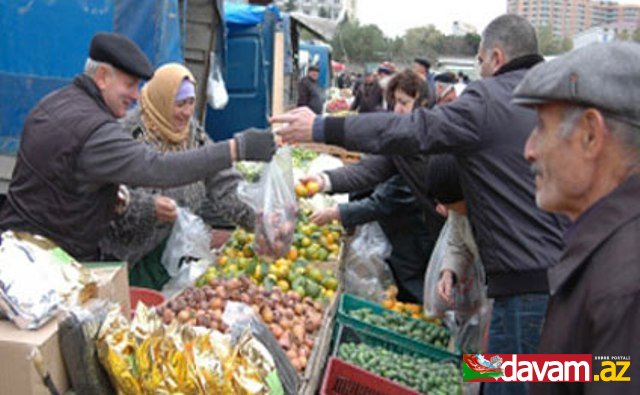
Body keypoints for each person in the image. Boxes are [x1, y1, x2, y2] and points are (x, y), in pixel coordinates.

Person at [272, 15, 568, 394]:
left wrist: (322, 127)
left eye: (478, 61)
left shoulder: (492, 98)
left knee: (513, 382)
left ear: (496, 57)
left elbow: (414, 131)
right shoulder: (554, 102)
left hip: (525, 292)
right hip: (561, 283)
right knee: (555, 373)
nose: (479, 72)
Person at [0, 32, 275, 262]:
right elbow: (156, 167)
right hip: (50, 258)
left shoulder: (55, 102)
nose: (136, 95)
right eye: (130, 84)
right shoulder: (100, 132)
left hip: (26, 248)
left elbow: (71, 182)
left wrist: (260, 220)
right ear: (103, 76)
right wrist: (237, 147)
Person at [514, 42, 640, 394]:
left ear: (590, 135)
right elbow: (590, 370)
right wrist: (480, 367)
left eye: (541, 127)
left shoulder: (625, 287)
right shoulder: (605, 247)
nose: (529, 150)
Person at [99, 63, 255, 289]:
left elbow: (221, 179)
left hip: (171, 250)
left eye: (191, 103)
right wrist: (149, 207)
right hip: (129, 256)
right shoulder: (128, 134)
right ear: (162, 100)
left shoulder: (191, 133)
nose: (187, 112)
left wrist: (255, 217)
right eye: (180, 104)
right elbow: (109, 196)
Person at [309, 70, 440, 302]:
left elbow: (388, 200)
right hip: (407, 235)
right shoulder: (401, 142)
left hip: (423, 236)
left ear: (424, 105)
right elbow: (369, 170)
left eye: (404, 103)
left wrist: (336, 212)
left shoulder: (426, 145)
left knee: (417, 292)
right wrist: (325, 180)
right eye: (395, 102)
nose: (397, 109)